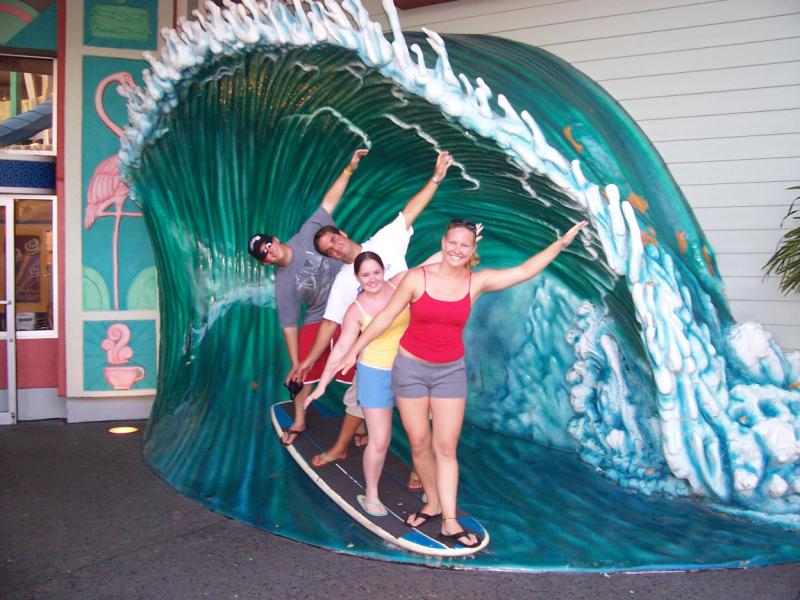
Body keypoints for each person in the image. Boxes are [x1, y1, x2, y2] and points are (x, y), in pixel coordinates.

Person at [335, 217, 588, 547]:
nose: (457, 249)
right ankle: (432, 502)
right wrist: (353, 349)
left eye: (464, 245)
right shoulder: (417, 278)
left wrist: (561, 243)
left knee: (446, 447)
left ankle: (450, 520)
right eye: (452, 242)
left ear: (472, 249)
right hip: (409, 370)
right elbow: (385, 316)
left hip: (448, 373)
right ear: (443, 243)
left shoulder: (476, 282)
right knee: (419, 443)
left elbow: (525, 271)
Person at [290, 151, 454, 470]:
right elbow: (330, 325)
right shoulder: (343, 282)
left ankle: (421, 470)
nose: (335, 248)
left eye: (334, 241)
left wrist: (436, 178)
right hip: (377, 351)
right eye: (328, 251)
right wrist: (309, 361)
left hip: (414, 337)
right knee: (359, 398)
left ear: (342, 234)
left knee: (423, 407)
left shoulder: (384, 241)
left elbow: (411, 213)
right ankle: (340, 447)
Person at [248, 148, 368, 446]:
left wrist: (349, 169)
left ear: (275, 239)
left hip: (351, 309)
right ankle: (299, 419)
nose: (269, 251)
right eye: (263, 254)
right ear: (265, 263)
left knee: (361, 369)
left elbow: (329, 201)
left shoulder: (307, 234)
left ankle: (361, 423)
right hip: (320, 317)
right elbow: (289, 327)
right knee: (305, 371)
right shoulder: (283, 284)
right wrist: (295, 363)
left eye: (267, 244)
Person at [305, 251, 411, 517]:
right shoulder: (356, 309)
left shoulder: (399, 284)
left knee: (420, 434)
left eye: (376, 272)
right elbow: (340, 350)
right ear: (357, 278)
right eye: (365, 275)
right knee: (380, 439)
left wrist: (457, 248)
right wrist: (321, 386)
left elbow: (430, 267)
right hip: (375, 374)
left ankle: (430, 487)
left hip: (409, 370)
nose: (372, 279)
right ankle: (371, 493)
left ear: (384, 271)